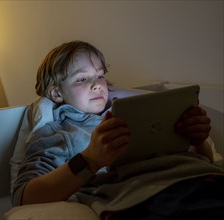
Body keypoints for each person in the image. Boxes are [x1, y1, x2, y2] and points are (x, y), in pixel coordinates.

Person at [12, 40, 224, 219]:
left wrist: (198, 141)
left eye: (100, 76)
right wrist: (90, 159)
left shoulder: (138, 112)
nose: (97, 84)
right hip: (150, 197)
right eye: (82, 79)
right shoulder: (59, 132)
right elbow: (25, 196)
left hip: (206, 177)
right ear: (57, 93)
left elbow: (203, 160)